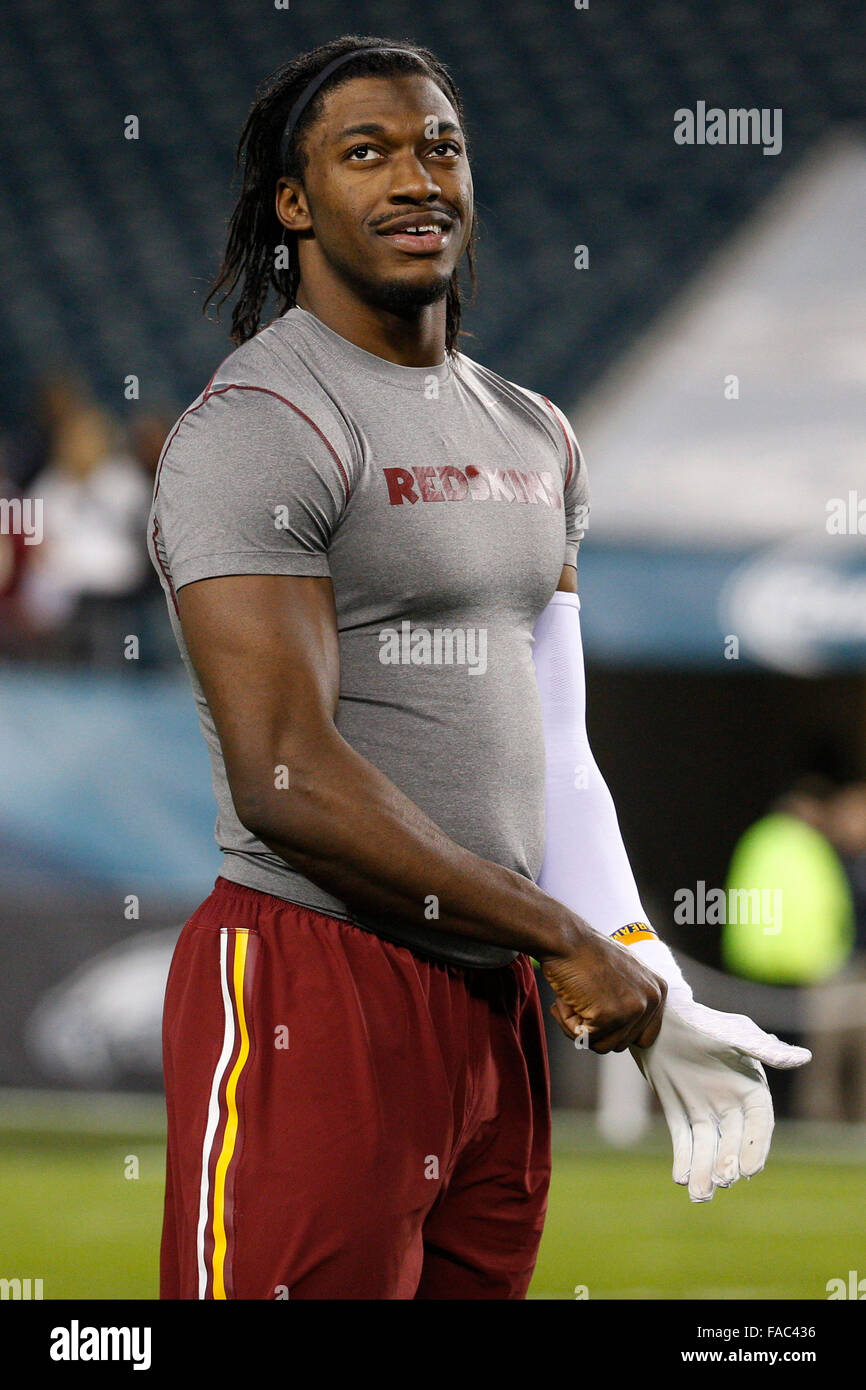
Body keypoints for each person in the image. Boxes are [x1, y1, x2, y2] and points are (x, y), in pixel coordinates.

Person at [148, 35, 808, 1301]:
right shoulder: (256, 426)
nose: (416, 179)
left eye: (439, 147)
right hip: (313, 973)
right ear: (294, 206)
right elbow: (286, 774)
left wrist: (647, 972)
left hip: (491, 1000)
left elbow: (559, 749)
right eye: (367, 153)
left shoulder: (534, 431)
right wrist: (561, 935)